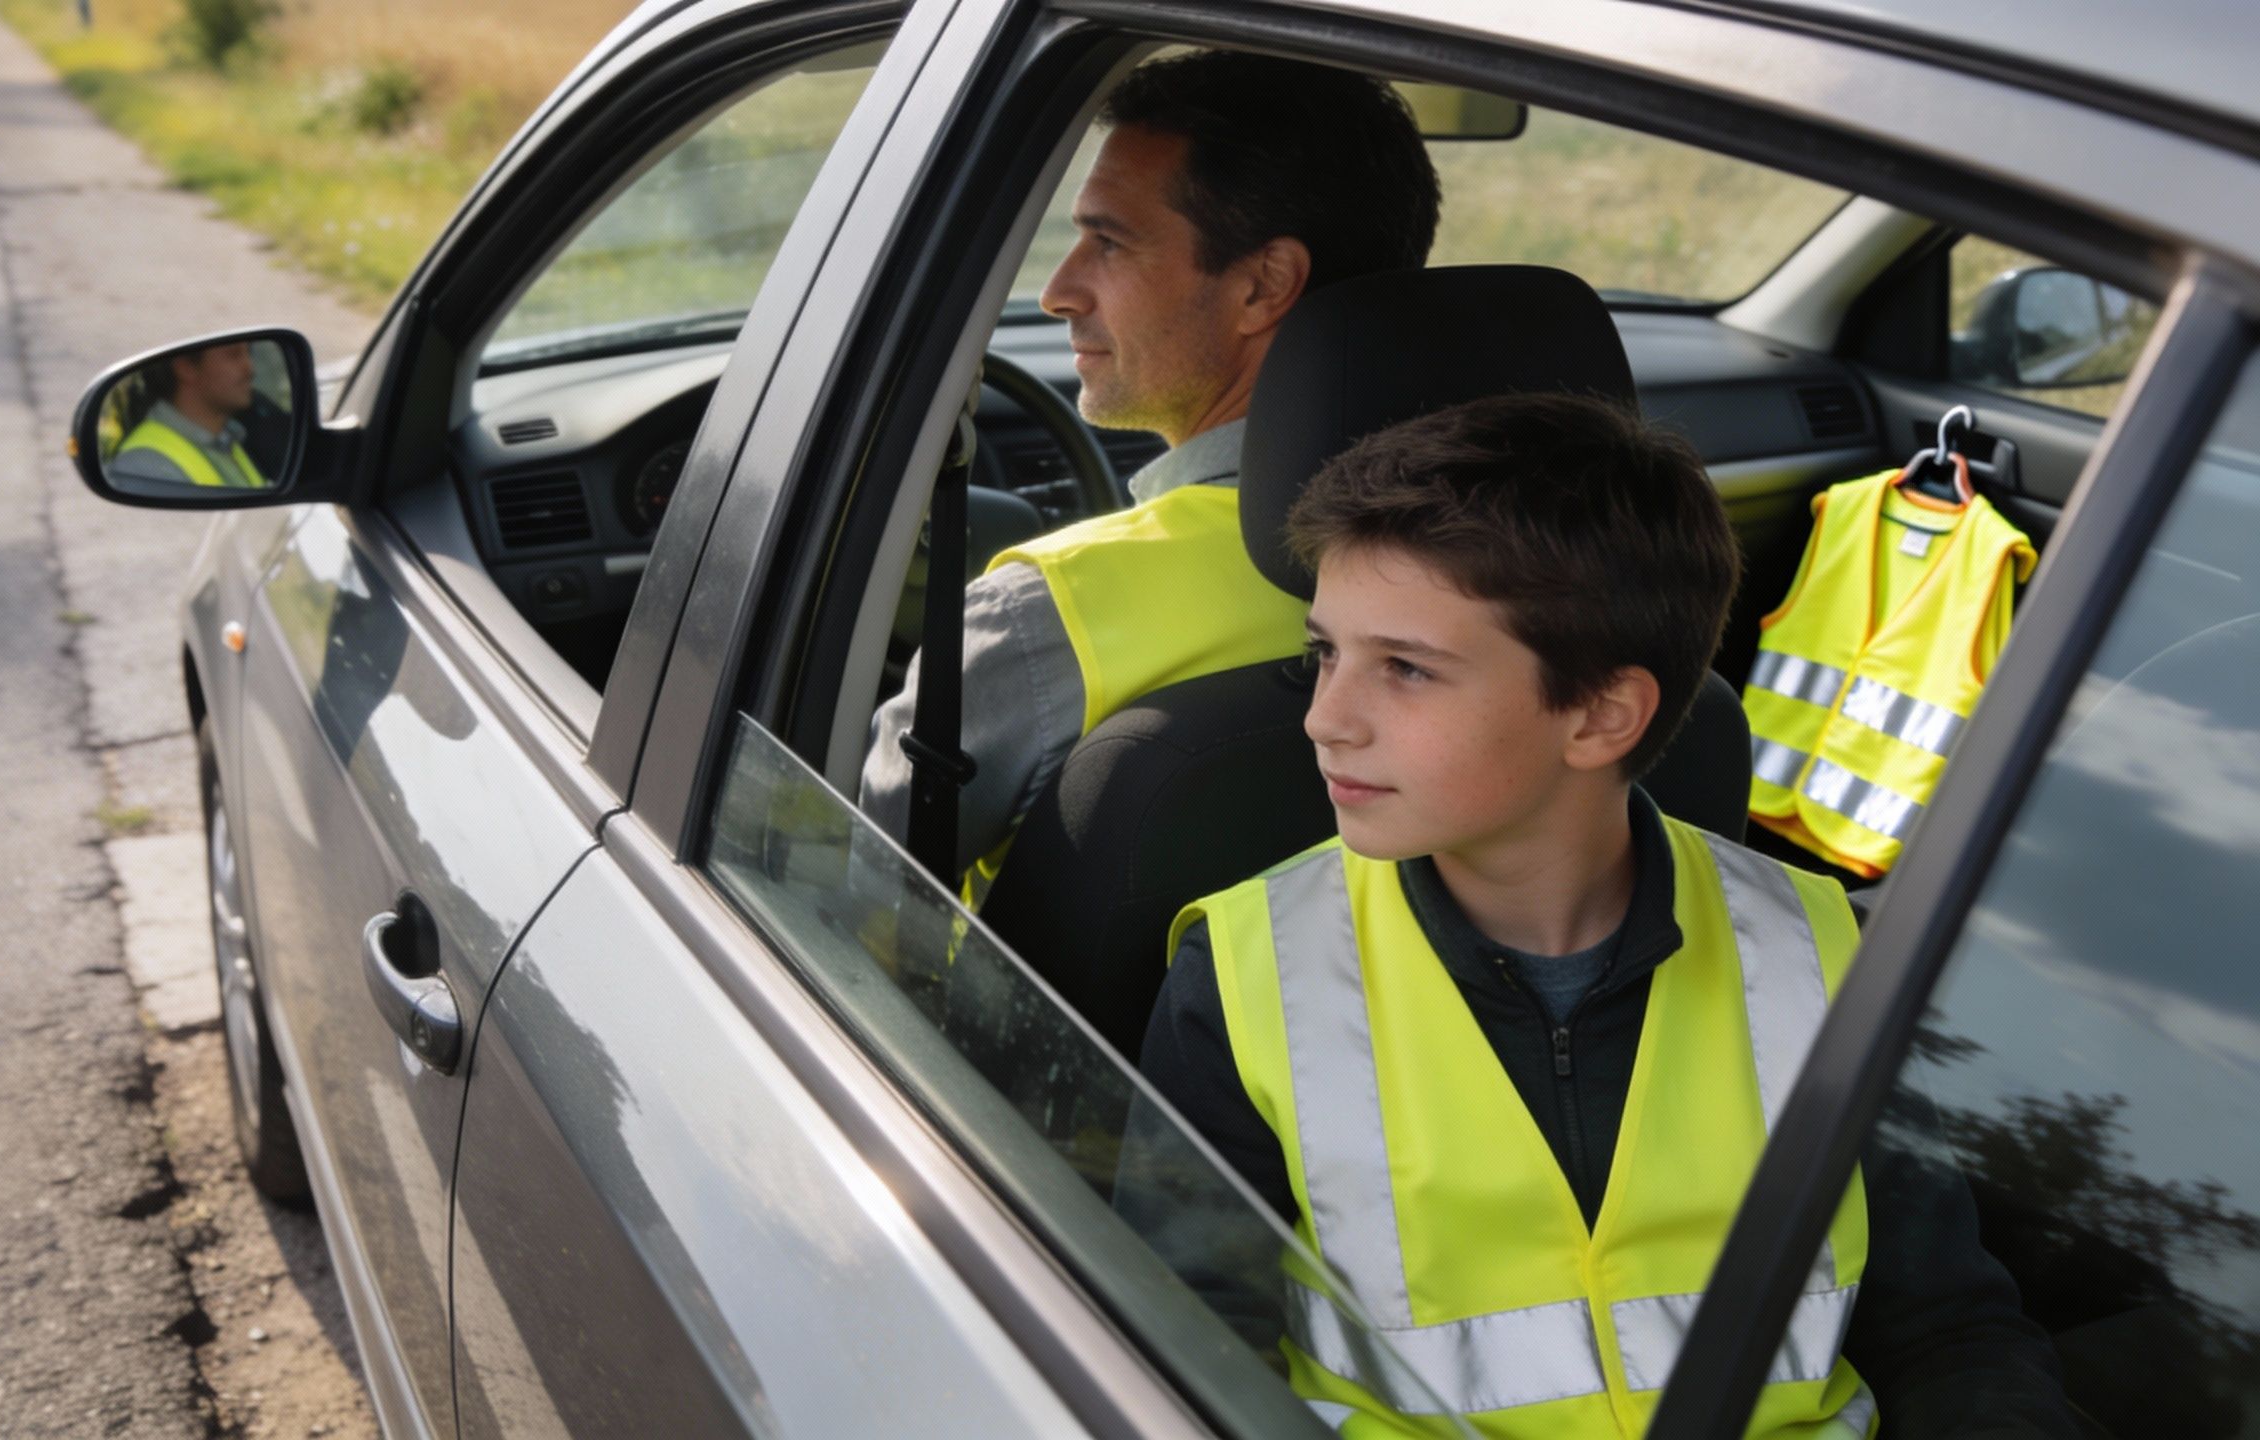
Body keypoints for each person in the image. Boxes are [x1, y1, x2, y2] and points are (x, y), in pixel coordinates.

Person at [1127, 394, 2074, 1436]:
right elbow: (1179, 1352)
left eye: (1403, 669)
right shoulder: (1250, 976)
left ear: (1599, 715)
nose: (1325, 717)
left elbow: (1946, 1329)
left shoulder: (1823, 956)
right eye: (1326, 654)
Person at [859, 50, 1442, 897]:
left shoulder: (1042, 617)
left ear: (1263, 285)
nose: (1058, 291)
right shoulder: (1537, 559)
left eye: (1108, 241)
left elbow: (846, 905)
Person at [111, 341, 270, 490]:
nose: (250, 369)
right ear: (185, 367)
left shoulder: (227, 439)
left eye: (248, 353)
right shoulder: (143, 466)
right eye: (233, 355)